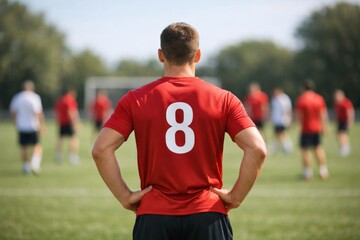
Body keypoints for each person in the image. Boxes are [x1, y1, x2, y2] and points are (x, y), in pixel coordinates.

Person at [92, 22, 267, 240]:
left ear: (160, 55)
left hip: (154, 214)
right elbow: (257, 149)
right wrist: (236, 196)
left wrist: (124, 196)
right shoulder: (224, 99)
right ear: (198, 55)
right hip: (207, 213)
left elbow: (101, 149)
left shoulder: (135, 99)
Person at [9, 80, 45, 175]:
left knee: (24, 147)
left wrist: (16, 122)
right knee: (37, 146)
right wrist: (42, 125)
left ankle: (25, 167)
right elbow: (38, 113)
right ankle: (35, 163)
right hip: (33, 125)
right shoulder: (34, 97)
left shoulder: (17, 97)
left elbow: (13, 113)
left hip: (21, 126)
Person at [295, 80, 329, 180]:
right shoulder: (319, 98)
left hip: (306, 129)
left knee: (305, 151)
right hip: (317, 128)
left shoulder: (302, 99)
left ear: (303, 88)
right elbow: (323, 115)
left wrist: (295, 123)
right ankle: (323, 171)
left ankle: (308, 173)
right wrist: (324, 127)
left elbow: (298, 115)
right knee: (318, 148)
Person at [54, 89, 81, 165]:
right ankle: (73, 157)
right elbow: (71, 112)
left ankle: (58, 156)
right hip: (69, 123)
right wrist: (75, 123)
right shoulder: (69, 100)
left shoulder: (60, 101)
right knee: (73, 139)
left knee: (60, 139)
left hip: (62, 122)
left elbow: (56, 112)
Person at [269, 87, 293, 154]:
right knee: (278, 135)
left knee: (281, 134)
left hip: (282, 120)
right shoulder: (274, 99)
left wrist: (289, 119)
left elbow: (287, 109)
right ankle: (278, 148)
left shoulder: (284, 99)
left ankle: (287, 147)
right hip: (276, 120)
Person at [333, 89, 354, 157]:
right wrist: (336, 121)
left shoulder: (345, 103)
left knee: (343, 135)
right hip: (340, 121)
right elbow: (336, 114)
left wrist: (349, 121)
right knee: (339, 135)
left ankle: (345, 148)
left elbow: (350, 112)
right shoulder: (337, 104)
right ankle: (343, 147)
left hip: (344, 121)